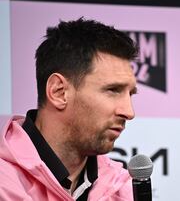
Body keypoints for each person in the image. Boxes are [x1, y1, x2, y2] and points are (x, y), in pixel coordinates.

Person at [0, 18, 138, 200]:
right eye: (113, 90)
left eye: (131, 94)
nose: (129, 112)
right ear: (59, 92)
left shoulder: (122, 190)